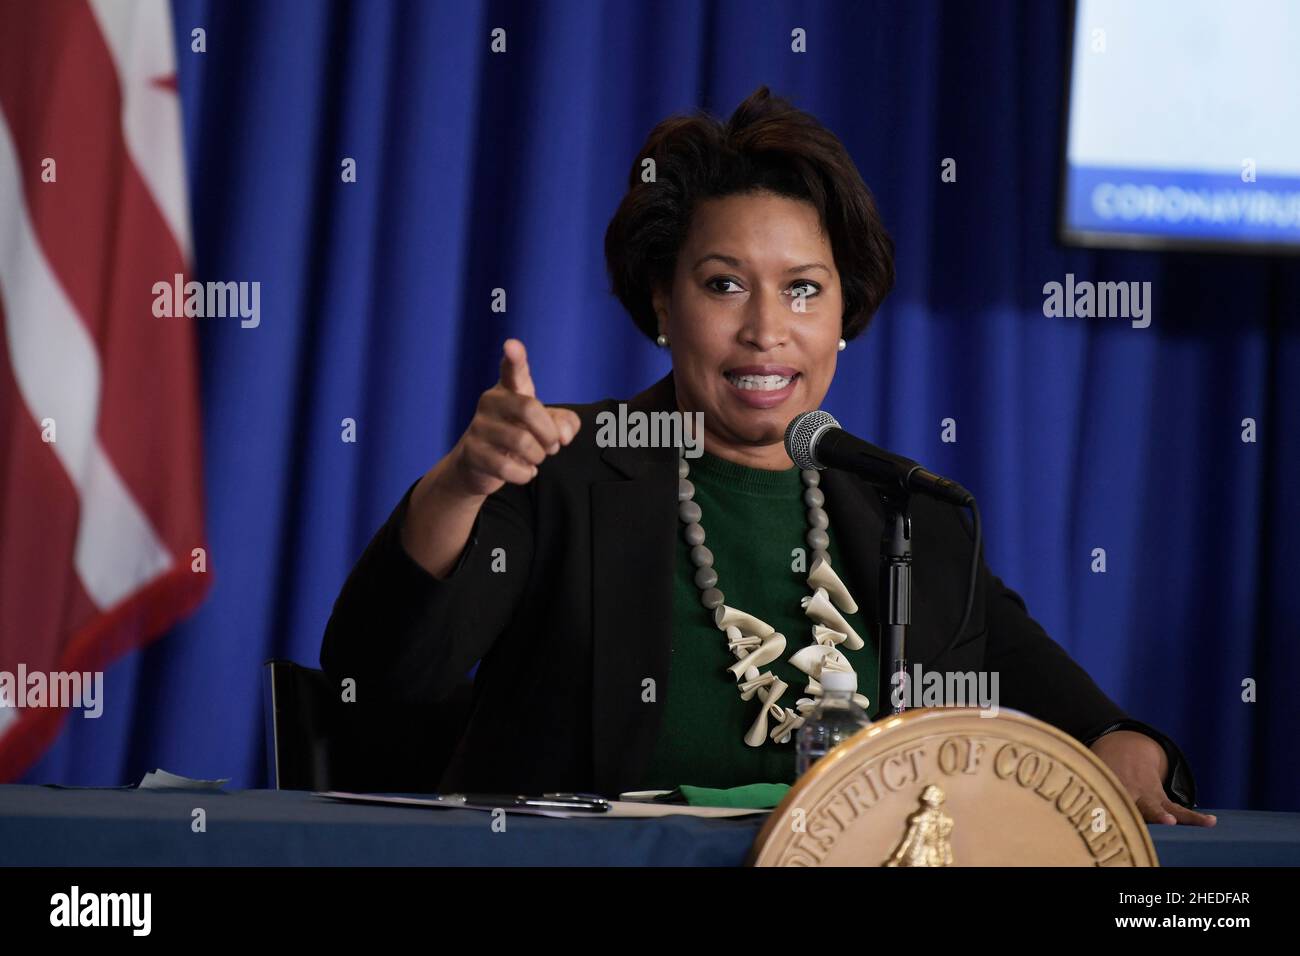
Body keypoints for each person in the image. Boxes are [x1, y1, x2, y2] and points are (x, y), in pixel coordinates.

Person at [321, 86, 1214, 826]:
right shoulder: (565, 466)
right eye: (723, 284)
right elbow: (378, 680)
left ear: (843, 313)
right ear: (663, 303)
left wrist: (1126, 747)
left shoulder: (911, 513)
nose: (765, 331)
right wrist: (463, 482)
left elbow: (1086, 720)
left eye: (802, 290)